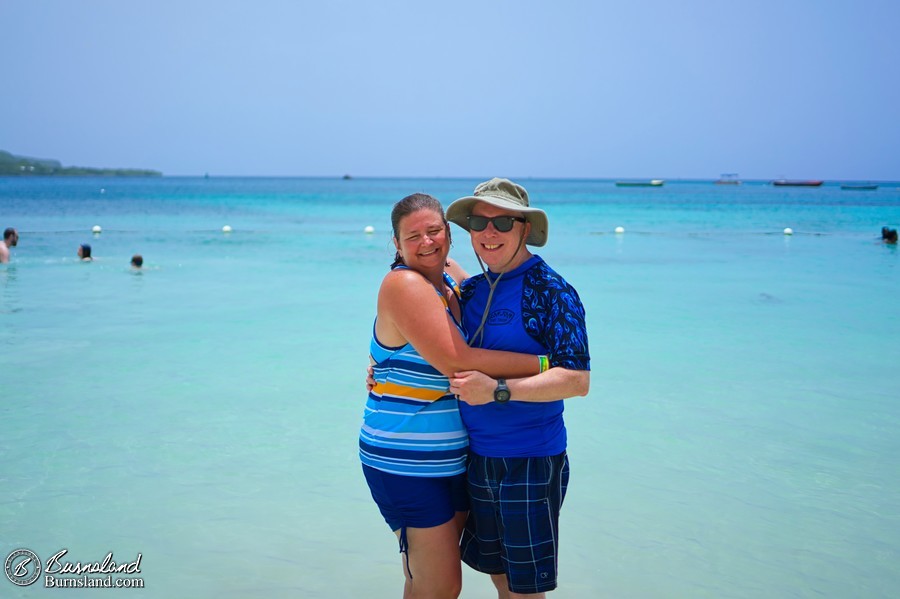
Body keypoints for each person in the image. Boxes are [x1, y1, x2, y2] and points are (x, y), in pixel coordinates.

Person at [361, 193, 548, 599]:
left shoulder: (450, 277)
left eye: (434, 231)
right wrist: (547, 365)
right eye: (413, 236)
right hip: (404, 460)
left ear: (449, 233)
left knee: (426, 583)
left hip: (454, 458)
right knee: (440, 586)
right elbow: (458, 360)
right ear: (396, 244)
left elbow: (497, 310)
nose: (426, 242)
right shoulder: (403, 283)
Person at [445, 178, 591, 598]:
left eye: (502, 222)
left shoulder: (552, 291)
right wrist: (378, 369)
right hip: (475, 457)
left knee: (527, 590)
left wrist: (498, 391)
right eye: (478, 221)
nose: (489, 233)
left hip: (531, 459)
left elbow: (577, 381)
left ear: (525, 228)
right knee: (499, 576)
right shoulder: (470, 290)